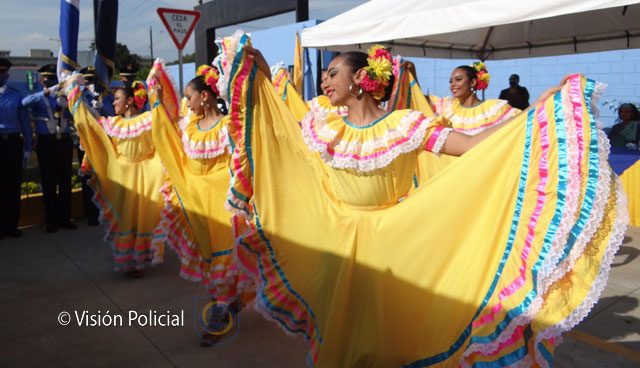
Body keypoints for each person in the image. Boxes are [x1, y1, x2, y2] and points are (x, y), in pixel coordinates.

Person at [219, 32, 626, 367]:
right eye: (325, 75)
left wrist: (533, 113)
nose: (325, 82)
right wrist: (258, 75)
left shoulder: (405, 124)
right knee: (339, 329)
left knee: (388, 333)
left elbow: (473, 145)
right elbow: (277, 130)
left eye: (332, 73)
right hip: (335, 237)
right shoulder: (323, 123)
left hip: (393, 240)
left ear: (360, 77)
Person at [148, 60, 253, 345]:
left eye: (189, 97)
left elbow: (245, 159)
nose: (187, 103)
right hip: (199, 204)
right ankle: (226, 304)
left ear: (204, 96)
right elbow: (167, 138)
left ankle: (220, 314)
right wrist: (157, 100)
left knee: (227, 258)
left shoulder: (229, 126)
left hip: (225, 205)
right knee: (210, 257)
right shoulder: (189, 126)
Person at [63, 76, 165, 276]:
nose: (114, 102)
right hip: (122, 176)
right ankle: (129, 260)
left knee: (142, 217)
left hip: (146, 176)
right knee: (125, 218)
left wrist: (158, 92)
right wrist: (75, 94)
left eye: (118, 98)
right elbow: (89, 125)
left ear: (130, 101)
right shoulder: (112, 123)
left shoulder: (148, 119)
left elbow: (165, 130)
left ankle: (140, 261)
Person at [22, 64, 77, 233]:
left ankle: (65, 218)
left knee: (65, 181)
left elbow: (76, 113)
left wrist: (68, 100)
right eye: (48, 79)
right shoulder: (38, 97)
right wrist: (44, 93)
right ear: (41, 80)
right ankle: (51, 220)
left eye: (54, 78)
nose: (52, 81)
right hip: (46, 142)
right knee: (49, 181)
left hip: (64, 141)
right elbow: (23, 104)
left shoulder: (64, 96)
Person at [428, 63, 520, 135]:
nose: (452, 85)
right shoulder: (447, 107)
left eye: (458, 79)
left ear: (472, 82)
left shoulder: (494, 110)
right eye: (450, 81)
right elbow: (423, 100)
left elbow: (520, 123)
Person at [0, 58, 33, 239]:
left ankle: (12, 225)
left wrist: (28, 147)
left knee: (13, 186)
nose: (1, 76)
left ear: (7, 74)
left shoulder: (16, 95)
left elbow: (25, 122)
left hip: (13, 143)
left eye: (2, 72)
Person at [74, 67, 100, 225]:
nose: (90, 83)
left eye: (92, 80)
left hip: (101, 141)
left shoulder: (101, 94)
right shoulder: (78, 96)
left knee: (104, 177)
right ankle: (91, 213)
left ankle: (104, 211)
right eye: (87, 80)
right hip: (84, 142)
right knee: (87, 177)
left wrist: (101, 105)